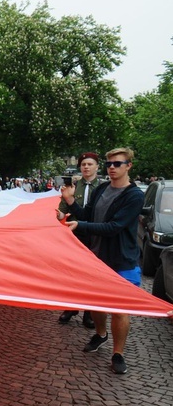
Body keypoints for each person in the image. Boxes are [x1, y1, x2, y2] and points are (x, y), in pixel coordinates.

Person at [61, 147, 144, 375]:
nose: (112, 168)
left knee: (119, 310)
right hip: (96, 259)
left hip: (122, 261)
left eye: (117, 164)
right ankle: (100, 334)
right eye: (109, 164)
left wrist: (81, 225)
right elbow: (86, 214)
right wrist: (70, 202)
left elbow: (115, 227)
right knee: (97, 304)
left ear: (129, 165)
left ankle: (118, 353)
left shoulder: (134, 195)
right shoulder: (102, 189)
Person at [57, 152, 102, 328]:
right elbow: (62, 210)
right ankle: (71, 307)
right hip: (75, 234)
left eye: (90, 164)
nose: (86, 167)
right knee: (73, 272)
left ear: (97, 167)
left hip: (96, 235)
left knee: (93, 275)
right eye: (83, 164)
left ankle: (89, 312)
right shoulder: (74, 187)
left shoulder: (103, 188)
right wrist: (58, 214)